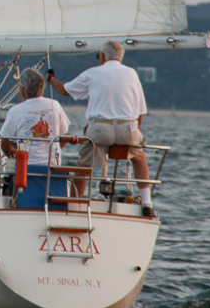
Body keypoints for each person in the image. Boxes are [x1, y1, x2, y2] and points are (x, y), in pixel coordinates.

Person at [47, 40, 156, 217]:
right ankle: (147, 203)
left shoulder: (93, 73)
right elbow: (140, 112)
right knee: (139, 158)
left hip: (100, 128)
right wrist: (133, 138)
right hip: (126, 128)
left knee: (83, 165)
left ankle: (74, 204)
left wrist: (51, 79)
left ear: (103, 56)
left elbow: (64, 90)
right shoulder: (132, 73)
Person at [0, 68, 70, 168]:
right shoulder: (55, 105)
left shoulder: (15, 111)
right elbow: (65, 137)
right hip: (53, 169)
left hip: (26, 171)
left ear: (23, 90)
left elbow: (5, 145)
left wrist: (13, 151)